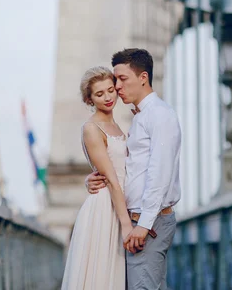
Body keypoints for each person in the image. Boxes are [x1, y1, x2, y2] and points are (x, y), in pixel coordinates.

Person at [86, 48, 182, 290]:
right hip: (139, 219)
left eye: (122, 79)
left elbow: (159, 173)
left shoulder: (160, 115)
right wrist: (93, 178)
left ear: (143, 78)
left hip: (147, 222)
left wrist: (143, 224)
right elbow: (129, 167)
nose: (117, 87)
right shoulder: (140, 117)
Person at [61, 66, 131, 290]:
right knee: (100, 275)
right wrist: (126, 223)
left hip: (119, 203)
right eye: (99, 94)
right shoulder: (92, 128)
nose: (108, 97)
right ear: (89, 99)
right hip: (106, 208)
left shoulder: (117, 126)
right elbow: (110, 177)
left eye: (110, 90)